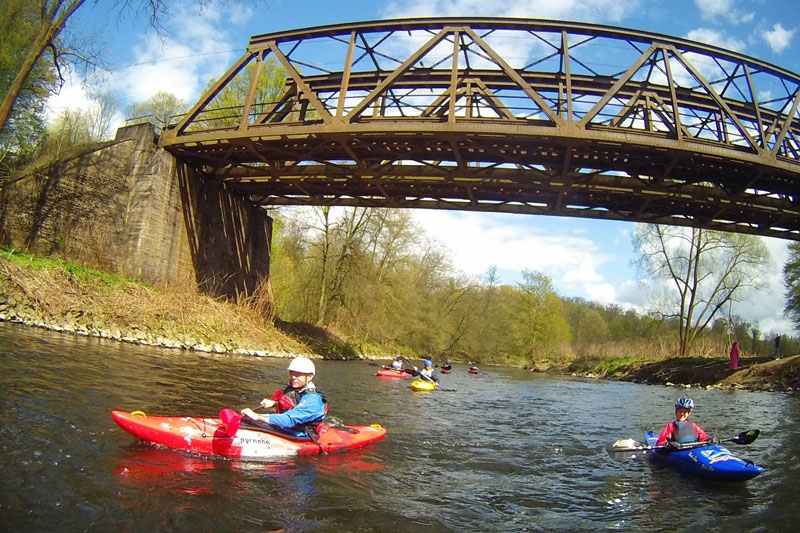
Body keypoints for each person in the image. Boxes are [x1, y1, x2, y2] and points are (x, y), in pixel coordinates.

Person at [241, 356, 327, 438]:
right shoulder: (294, 389)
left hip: (301, 434)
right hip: (286, 428)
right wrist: (275, 403)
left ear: (309, 377)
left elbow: (289, 419)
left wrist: (257, 416)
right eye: (292, 373)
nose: (293, 377)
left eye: (298, 374)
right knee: (247, 421)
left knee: (256, 419)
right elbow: (293, 404)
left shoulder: (313, 400)